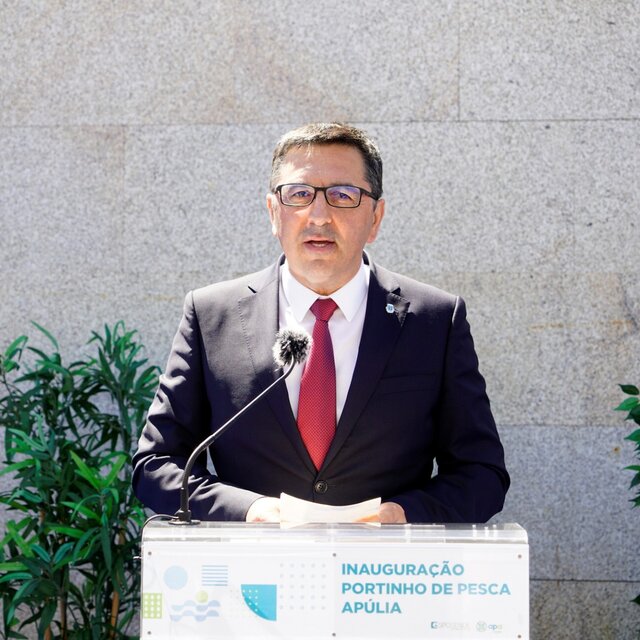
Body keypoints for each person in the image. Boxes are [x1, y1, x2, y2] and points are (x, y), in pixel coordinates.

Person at [132, 122, 509, 524]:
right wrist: (249, 510)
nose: (319, 215)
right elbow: (156, 465)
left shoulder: (434, 320)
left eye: (343, 195)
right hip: (253, 559)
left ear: (376, 218)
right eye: (299, 194)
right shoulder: (212, 315)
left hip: (385, 560)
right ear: (273, 212)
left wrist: (401, 514)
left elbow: (481, 474)